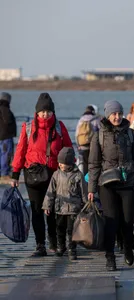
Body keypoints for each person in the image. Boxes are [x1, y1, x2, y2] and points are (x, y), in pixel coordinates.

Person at [11, 93, 73, 256]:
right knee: (37, 210)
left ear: (53, 112)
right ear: (37, 112)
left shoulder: (59, 127)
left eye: (48, 111)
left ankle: (54, 242)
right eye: (42, 111)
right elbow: (20, 150)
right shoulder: (29, 128)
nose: (45, 114)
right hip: (33, 175)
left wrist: (70, 166)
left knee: (54, 210)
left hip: (54, 175)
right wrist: (15, 174)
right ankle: (40, 245)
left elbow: (67, 149)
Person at [88, 100, 134, 271]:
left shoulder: (131, 134)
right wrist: (91, 189)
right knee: (111, 221)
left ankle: (128, 247)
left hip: (128, 181)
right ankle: (110, 256)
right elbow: (93, 164)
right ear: (107, 115)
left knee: (128, 220)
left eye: (120, 113)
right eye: (114, 114)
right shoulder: (98, 136)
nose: (117, 117)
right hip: (107, 184)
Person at [42, 147, 87, 261]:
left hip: (73, 209)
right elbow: (50, 191)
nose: (61, 165)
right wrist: (47, 205)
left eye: (63, 163)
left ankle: (72, 248)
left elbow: (84, 192)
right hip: (60, 208)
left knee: (71, 230)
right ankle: (61, 247)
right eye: (59, 163)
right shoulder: (56, 174)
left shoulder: (78, 175)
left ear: (70, 163)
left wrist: (86, 206)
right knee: (60, 229)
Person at [75, 105, 100, 175]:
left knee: (84, 166)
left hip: (82, 147)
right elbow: (100, 132)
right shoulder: (95, 119)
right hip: (92, 146)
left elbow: (76, 134)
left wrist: (78, 145)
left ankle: (85, 182)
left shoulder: (81, 120)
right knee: (92, 165)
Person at [0, 92, 16, 183]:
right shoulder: (5, 109)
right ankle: (4, 174)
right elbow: (7, 120)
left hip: (2, 136)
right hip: (5, 136)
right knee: (5, 155)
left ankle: (2, 172)